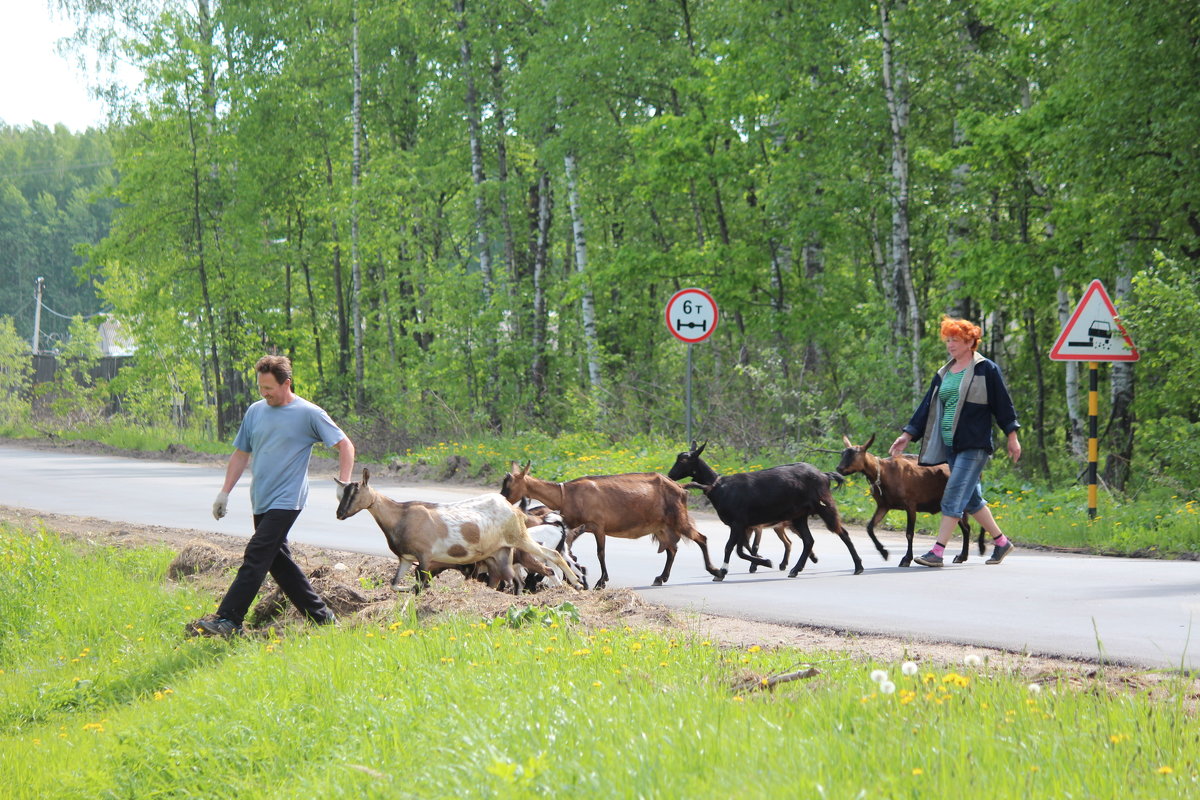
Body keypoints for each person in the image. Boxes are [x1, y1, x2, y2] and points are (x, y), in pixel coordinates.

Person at [192, 354, 355, 637]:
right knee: (279, 564)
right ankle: (322, 619)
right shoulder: (255, 411)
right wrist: (224, 493)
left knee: (256, 554)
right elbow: (241, 453)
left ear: (286, 383)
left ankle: (230, 619)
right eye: (260, 388)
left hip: (288, 500)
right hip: (262, 498)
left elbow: (345, 445)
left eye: (268, 388)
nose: (264, 393)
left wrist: (344, 482)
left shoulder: (309, 413)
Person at [889, 316, 1021, 568]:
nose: (950, 345)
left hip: (975, 444)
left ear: (970, 341)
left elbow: (1003, 405)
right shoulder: (945, 372)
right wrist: (907, 435)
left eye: (956, 340)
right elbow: (926, 406)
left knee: (952, 495)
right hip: (950, 446)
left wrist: (1012, 437)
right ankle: (1002, 542)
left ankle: (937, 551)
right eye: (948, 340)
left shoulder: (986, 370)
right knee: (971, 500)